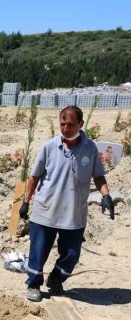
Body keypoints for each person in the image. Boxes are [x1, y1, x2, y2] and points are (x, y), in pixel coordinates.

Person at [20, 105, 114, 302]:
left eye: (70, 125)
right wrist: (26, 202)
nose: (65, 128)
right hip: (46, 210)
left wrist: (106, 195)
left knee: (71, 254)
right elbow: (34, 177)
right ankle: (34, 284)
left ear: (80, 124)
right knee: (38, 251)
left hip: (74, 213)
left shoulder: (90, 148)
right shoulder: (49, 147)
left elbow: (98, 176)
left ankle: (56, 279)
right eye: (62, 124)